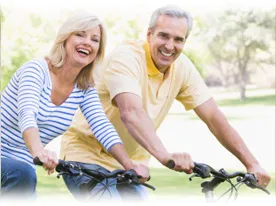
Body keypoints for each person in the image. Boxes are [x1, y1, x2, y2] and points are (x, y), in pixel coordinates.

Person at [59, 5, 271, 200]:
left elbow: (214, 117)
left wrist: (251, 163)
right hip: (86, 158)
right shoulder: (127, 57)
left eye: (178, 39)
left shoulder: (182, 68)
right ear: (149, 35)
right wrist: (164, 156)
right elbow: (131, 111)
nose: (170, 46)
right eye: (163, 36)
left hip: (131, 166)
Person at [0, 12, 149, 200]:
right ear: (65, 39)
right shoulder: (36, 70)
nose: (87, 42)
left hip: (23, 163)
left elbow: (102, 126)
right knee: (21, 173)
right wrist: (39, 151)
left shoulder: (84, 88)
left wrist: (129, 164)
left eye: (95, 39)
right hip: (14, 160)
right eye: (80, 34)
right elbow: (26, 113)